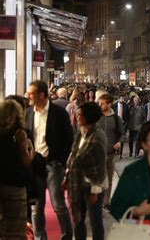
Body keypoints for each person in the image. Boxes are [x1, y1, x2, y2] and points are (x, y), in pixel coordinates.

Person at [26, 80, 74, 240]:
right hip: (35, 165)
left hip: (53, 164)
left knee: (58, 204)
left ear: (41, 94)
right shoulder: (28, 113)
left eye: (31, 93)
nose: (28, 96)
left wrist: (60, 160)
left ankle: (66, 236)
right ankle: (40, 237)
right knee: (36, 207)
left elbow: (68, 139)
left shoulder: (59, 113)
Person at [65, 102, 107, 240]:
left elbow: (100, 166)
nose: (76, 116)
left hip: (93, 185)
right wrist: (66, 177)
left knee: (95, 220)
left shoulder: (97, 136)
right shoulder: (81, 132)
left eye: (79, 114)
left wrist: (95, 189)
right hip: (78, 182)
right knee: (78, 218)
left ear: (88, 116)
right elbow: (73, 155)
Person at [0, 100, 35, 238]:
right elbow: (26, 162)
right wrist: (31, 151)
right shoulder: (20, 133)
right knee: (15, 230)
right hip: (15, 185)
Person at [97, 94, 124, 211]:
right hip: (97, 154)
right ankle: (97, 201)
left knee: (108, 179)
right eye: (99, 103)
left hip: (110, 153)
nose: (100, 105)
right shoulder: (96, 117)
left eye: (102, 103)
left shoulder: (116, 119)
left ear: (109, 104)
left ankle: (106, 202)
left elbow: (122, 133)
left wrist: (120, 142)